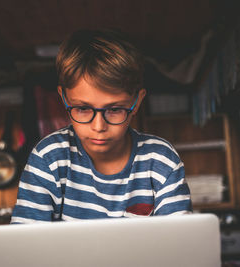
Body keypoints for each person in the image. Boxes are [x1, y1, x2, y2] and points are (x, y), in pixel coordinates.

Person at [11, 29, 192, 223]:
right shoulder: (48, 157)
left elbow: (179, 243)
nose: (98, 126)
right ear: (64, 99)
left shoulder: (161, 160)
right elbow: (26, 244)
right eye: (82, 108)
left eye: (114, 109)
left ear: (137, 102)